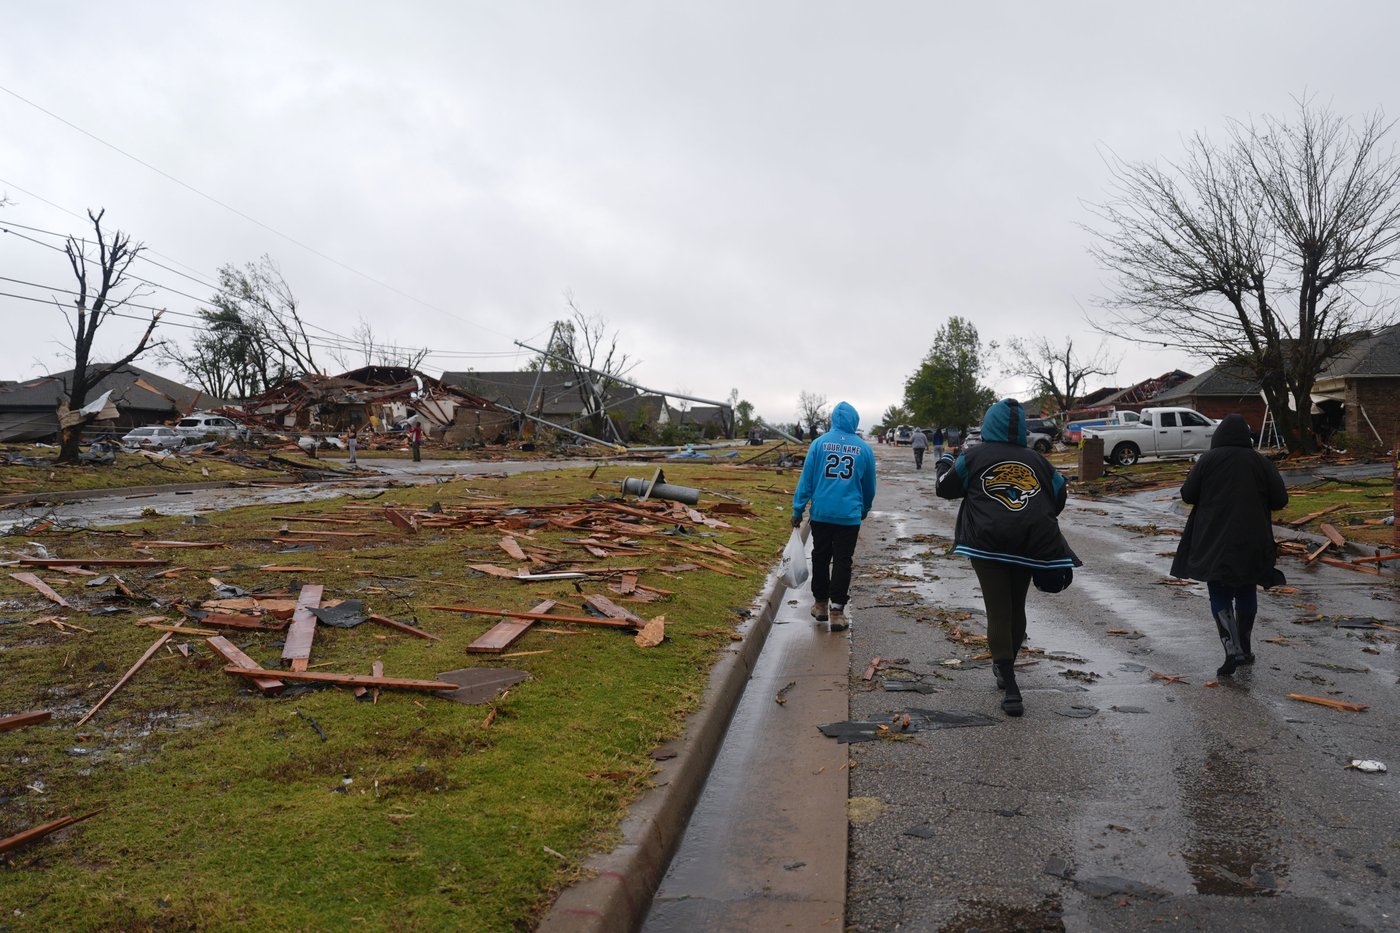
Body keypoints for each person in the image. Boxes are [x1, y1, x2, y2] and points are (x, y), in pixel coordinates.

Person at [935, 398, 1078, 717]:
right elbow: (1059, 495)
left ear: (989, 425)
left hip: (986, 544)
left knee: (998, 610)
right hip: (1029, 543)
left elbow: (944, 489)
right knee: (1016, 607)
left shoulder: (973, 456)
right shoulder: (1037, 460)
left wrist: (946, 459)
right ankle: (1007, 668)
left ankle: (1010, 684)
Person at [1170, 413, 1288, 677]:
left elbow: (1187, 495)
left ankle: (1232, 648)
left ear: (1219, 436)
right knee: (1247, 586)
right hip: (1253, 536)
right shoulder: (1261, 462)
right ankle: (1244, 648)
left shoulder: (1208, 461)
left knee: (1219, 589)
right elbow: (1280, 499)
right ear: (1246, 437)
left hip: (1214, 537)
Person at [792, 401, 877, 632]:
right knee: (843, 561)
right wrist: (865, 507)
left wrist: (797, 509)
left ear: (832, 420)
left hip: (821, 514)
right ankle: (837, 611)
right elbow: (869, 484)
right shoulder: (864, 449)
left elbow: (806, 481)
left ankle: (820, 604)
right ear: (854, 420)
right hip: (848, 516)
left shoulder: (818, 445)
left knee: (820, 557)